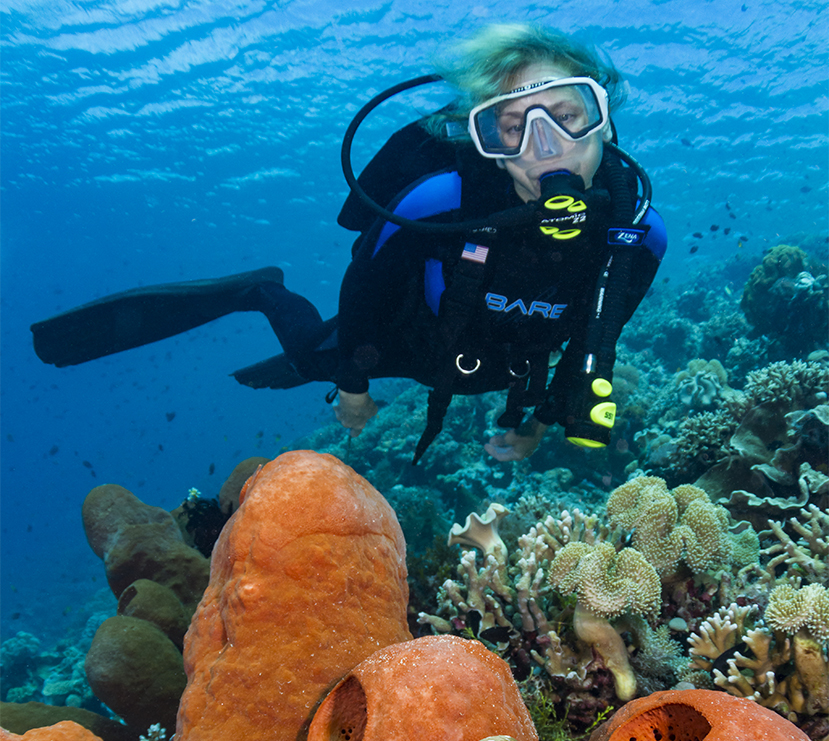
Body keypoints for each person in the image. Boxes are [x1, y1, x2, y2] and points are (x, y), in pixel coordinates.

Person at [31, 23, 666, 463]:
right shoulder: (438, 201)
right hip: (407, 336)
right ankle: (261, 290)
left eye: (568, 114)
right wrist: (355, 384)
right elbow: (365, 283)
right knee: (311, 360)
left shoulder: (638, 236)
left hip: (500, 365)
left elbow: (595, 339)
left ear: (604, 120)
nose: (547, 146)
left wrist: (538, 423)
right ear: (488, 147)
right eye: (512, 127)